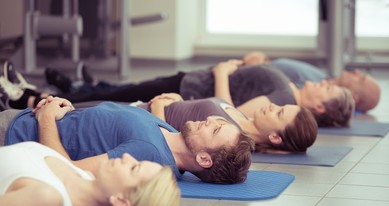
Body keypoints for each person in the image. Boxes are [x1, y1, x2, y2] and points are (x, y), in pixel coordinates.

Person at [1, 59, 354, 127]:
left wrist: (221, 73)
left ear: (321, 108)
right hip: (187, 86)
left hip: (188, 91)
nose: (324, 82)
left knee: (118, 95)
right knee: (118, 93)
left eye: (327, 90)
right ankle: (29, 97)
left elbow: (231, 110)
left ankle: (27, 99)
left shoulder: (284, 99)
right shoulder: (287, 92)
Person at [1, 96, 254, 184]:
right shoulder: (166, 130)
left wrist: (46, 119)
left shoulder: (148, 154)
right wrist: (66, 109)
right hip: (26, 118)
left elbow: (63, 169)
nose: (210, 119)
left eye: (215, 130)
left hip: (13, 136)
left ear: (203, 159)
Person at [0, 141, 180, 206]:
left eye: (134, 168)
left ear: (121, 200)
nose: (127, 156)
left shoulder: (48, 200)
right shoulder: (83, 175)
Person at [138, 93, 317, 153]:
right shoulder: (243, 118)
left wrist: (159, 107)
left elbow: (166, 140)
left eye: (279, 113)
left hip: (139, 118)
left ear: (275, 137)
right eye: (279, 106)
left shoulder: (226, 133)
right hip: (138, 108)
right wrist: (177, 99)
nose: (272, 105)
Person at [242, 51, 381, 113]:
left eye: (360, 78)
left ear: (354, 97)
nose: (356, 71)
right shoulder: (323, 77)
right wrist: (260, 59)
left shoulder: (304, 91)